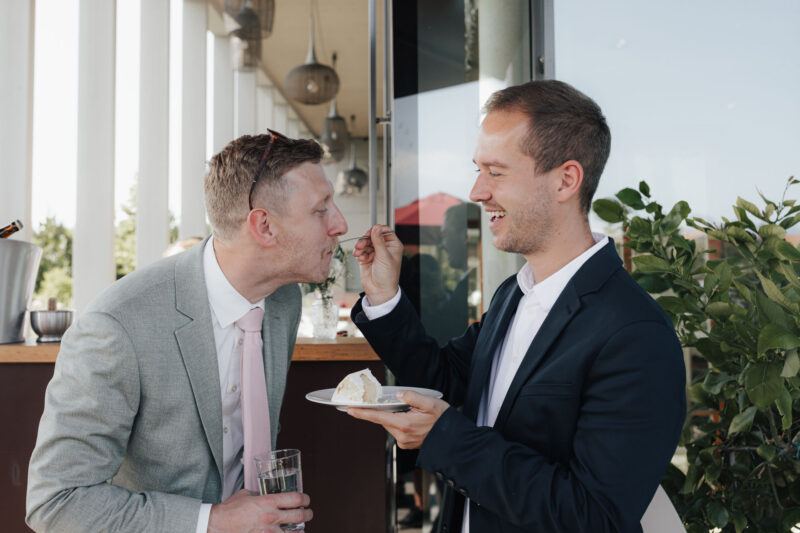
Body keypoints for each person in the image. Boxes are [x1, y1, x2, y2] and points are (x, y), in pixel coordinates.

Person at [348, 80, 686, 532]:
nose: (476, 191)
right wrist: (385, 296)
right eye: (477, 169)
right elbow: (445, 381)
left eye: (496, 171)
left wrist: (446, 438)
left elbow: (593, 517)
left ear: (566, 180)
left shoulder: (636, 335)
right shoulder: (514, 293)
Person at [26, 130, 347, 532]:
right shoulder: (117, 326)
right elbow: (55, 502)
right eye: (322, 209)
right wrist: (210, 523)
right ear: (264, 226)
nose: (341, 224)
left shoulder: (283, 301)